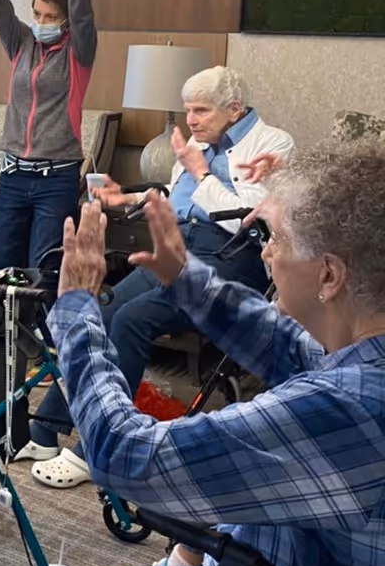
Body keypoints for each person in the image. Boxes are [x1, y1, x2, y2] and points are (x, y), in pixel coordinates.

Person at [20, 143, 385, 566]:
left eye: (272, 238)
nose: (262, 253)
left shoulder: (357, 410)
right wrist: (182, 276)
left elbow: (126, 455)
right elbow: (289, 351)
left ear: (329, 275)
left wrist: (77, 310)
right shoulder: (361, 360)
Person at [18, 65, 294, 488]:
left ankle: (99, 448)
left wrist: (202, 170)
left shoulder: (272, 144)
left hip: (228, 259)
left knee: (133, 319)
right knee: (102, 308)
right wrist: (128, 197)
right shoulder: (197, 144)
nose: (191, 120)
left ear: (234, 109)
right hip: (176, 245)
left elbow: (244, 220)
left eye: (201, 110)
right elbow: (174, 199)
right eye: (188, 110)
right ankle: (47, 428)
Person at [0, 0, 102, 276]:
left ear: (64, 21)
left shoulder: (79, 53)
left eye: (50, 16)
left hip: (56, 179)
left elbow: (83, 17)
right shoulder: (22, 43)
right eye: (36, 13)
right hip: (13, 175)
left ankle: (39, 333)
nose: (40, 21)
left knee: (43, 273)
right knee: (4, 271)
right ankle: (1, 334)